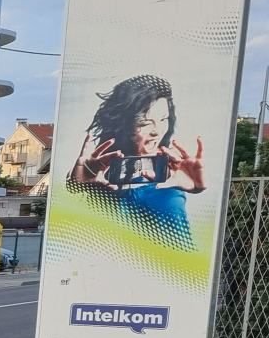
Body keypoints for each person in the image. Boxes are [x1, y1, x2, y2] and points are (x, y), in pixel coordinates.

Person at [67, 75, 204, 247]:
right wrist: (75, 186)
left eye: (164, 120)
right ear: (123, 124)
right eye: (145, 122)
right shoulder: (102, 178)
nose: (157, 131)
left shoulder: (172, 175)